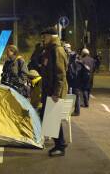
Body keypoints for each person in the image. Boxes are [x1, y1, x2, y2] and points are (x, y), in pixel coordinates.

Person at [40, 27, 68, 157]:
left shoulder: (57, 50)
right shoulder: (50, 49)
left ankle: (60, 146)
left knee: (53, 118)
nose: (43, 38)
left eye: (45, 36)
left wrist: (56, 92)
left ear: (52, 36)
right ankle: (59, 144)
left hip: (54, 91)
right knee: (50, 118)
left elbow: (60, 74)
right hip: (49, 89)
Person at [64, 43, 82, 115]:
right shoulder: (76, 56)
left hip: (71, 78)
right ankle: (76, 111)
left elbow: (67, 67)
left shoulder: (70, 56)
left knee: (70, 94)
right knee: (75, 94)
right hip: (75, 78)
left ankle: (69, 111)